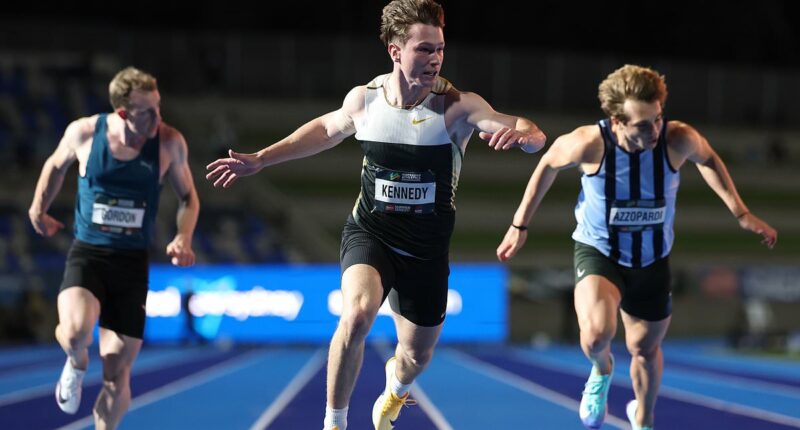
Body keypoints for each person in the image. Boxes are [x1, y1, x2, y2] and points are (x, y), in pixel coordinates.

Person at [206, 1, 546, 428]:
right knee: (357, 315)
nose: (435, 59)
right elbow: (325, 130)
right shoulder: (366, 100)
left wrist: (526, 135)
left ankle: (395, 391)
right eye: (423, 49)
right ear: (394, 51)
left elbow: (525, 131)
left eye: (440, 49)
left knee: (415, 357)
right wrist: (261, 158)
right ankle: (334, 421)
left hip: (425, 249)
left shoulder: (458, 106)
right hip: (371, 232)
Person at [496, 64, 777, 430]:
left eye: (658, 119)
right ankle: (600, 371)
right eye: (643, 124)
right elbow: (547, 165)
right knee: (597, 334)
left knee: (644, 349)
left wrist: (741, 213)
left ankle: (642, 418)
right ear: (616, 121)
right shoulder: (588, 143)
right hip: (600, 252)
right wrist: (520, 225)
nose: (654, 131)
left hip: (652, 259)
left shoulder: (678, 139)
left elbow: (709, 159)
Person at [28, 66, 199, 429]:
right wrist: (38, 208)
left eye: (159, 107)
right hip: (89, 252)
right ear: (122, 112)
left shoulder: (169, 142)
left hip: (131, 263)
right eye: (147, 112)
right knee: (75, 333)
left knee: (117, 372)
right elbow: (55, 165)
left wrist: (183, 236)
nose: (158, 117)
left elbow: (188, 199)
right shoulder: (86, 132)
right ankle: (74, 361)